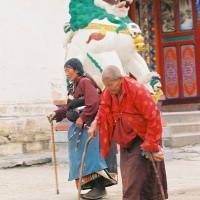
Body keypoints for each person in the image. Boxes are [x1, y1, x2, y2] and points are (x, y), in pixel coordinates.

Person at [88, 65, 168, 200]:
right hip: (125, 140)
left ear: (120, 79)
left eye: (111, 84)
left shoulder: (136, 89)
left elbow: (153, 115)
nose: (108, 88)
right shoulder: (108, 92)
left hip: (142, 137)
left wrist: (151, 143)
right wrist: (96, 123)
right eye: (106, 85)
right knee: (130, 178)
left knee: (135, 181)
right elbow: (104, 109)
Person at [48, 58, 117, 200]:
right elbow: (70, 106)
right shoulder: (74, 86)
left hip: (90, 126)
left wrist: (82, 118)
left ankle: (99, 188)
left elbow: (93, 103)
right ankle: (93, 187)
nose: (66, 73)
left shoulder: (85, 82)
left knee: (91, 157)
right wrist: (56, 114)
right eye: (65, 71)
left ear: (77, 69)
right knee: (82, 157)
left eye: (68, 70)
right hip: (81, 128)